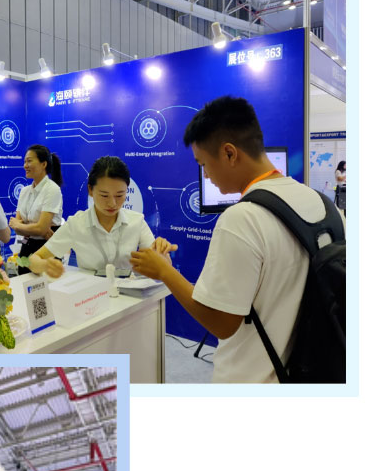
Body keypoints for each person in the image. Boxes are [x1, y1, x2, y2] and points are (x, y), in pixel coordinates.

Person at [129, 95, 348, 384]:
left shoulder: (242, 219)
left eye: (204, 164)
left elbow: (222, 323)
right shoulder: (327, 206)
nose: (206, 176)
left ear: (230, 153)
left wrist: (164, 272)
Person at [26, 156, 177, 278]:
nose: (112, 203)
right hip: (90, 300)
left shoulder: (136, 221)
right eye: (104, 195)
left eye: (120, 195)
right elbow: (33, 260)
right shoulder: (77, 224)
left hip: (129, 301)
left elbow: (163, 267)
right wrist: (45, 265)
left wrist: (162, 253)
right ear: (90, 190)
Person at [10, 146, 64, 259]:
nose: (25, 165)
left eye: (29, 161)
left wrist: (24, 226)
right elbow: (17, 229)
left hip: (46, 250)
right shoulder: (24, 191)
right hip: (26, 247)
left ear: (43, 164)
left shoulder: (52, 189)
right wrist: (37, 229)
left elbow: (39, 228)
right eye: (24, 161)